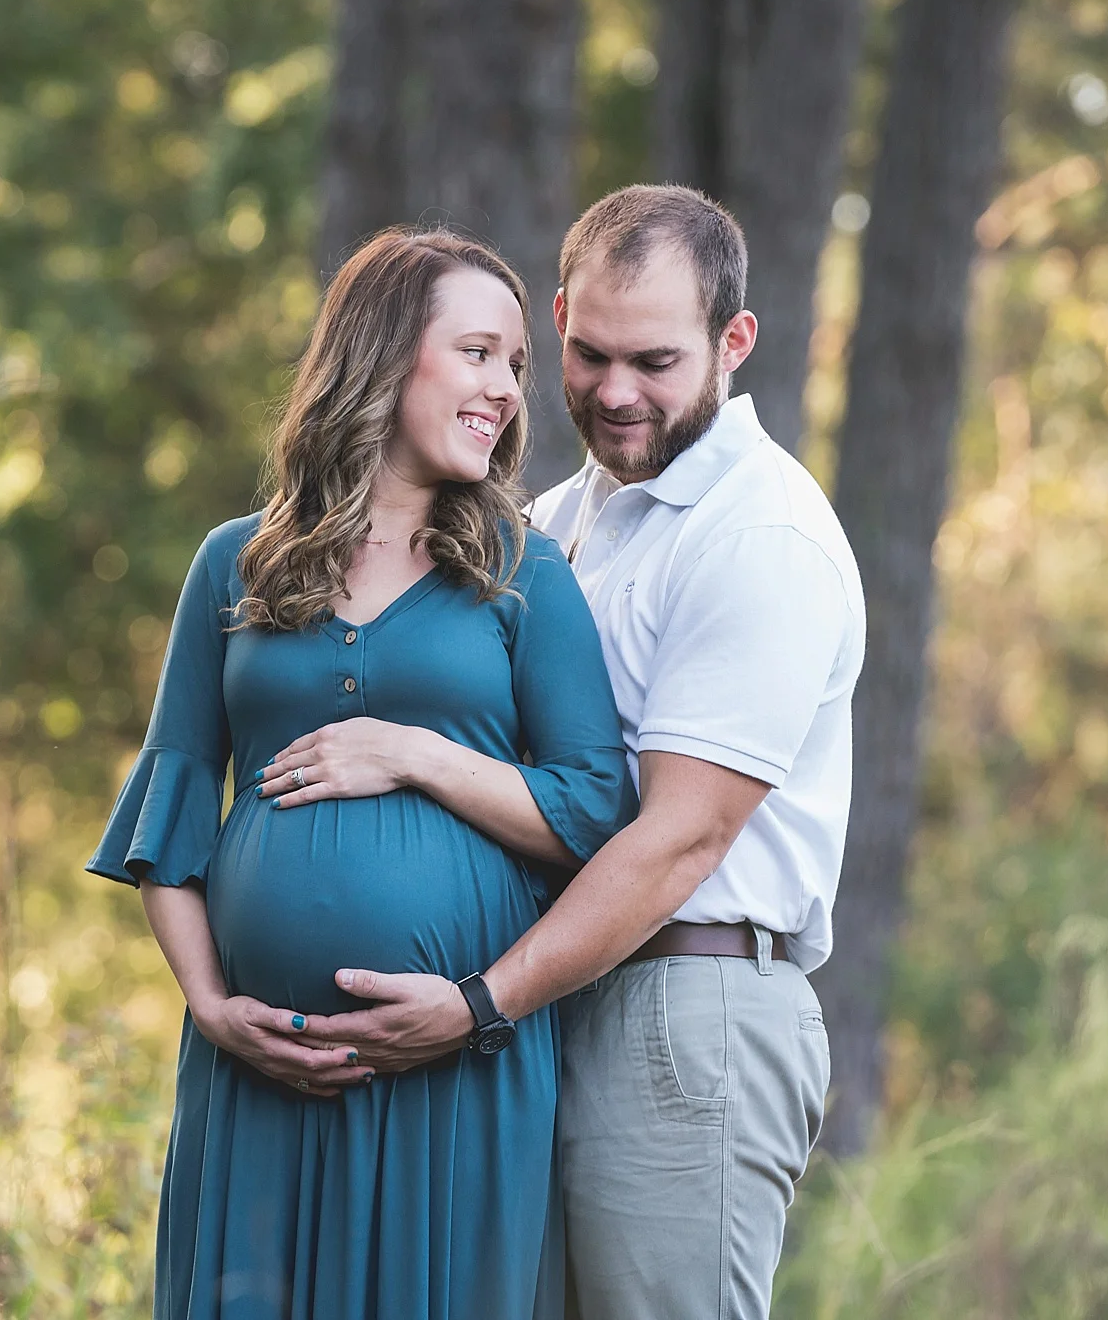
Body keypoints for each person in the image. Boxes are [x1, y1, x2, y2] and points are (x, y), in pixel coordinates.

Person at [302, 185, 868, 1319]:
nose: (615, 392)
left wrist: (474, 1004)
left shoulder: (754, 533)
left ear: (733, 341)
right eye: (591, 352)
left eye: (654, 361)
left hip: (682, 1005)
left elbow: (678, 838)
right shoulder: (555, 519)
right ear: (557, 320)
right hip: (555, 1005)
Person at [85, 227, 636, 1320]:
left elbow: (592, 811)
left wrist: (418, 755)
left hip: (453, 1073)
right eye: (478, 353)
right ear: (384, 355)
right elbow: (172, 814)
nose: (505, 390)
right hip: (257, 1076)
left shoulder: (522, 573)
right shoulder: (233, 564)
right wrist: (209, 1007)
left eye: (516, 367)